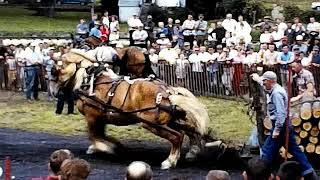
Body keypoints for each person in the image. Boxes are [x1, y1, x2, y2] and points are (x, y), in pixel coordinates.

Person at [251, 71, 317, 180]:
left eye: (264, 81)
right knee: (296, 151)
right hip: (284, 125)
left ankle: (261, 175)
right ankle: (309, 172)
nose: (263, 83)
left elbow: (281, 114)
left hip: (280, 126)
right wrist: (257, 79)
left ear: (270, 81)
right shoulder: (274, 88)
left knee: (267, 151)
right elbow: (265, 87)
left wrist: (276, 130)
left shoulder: (277, 93)